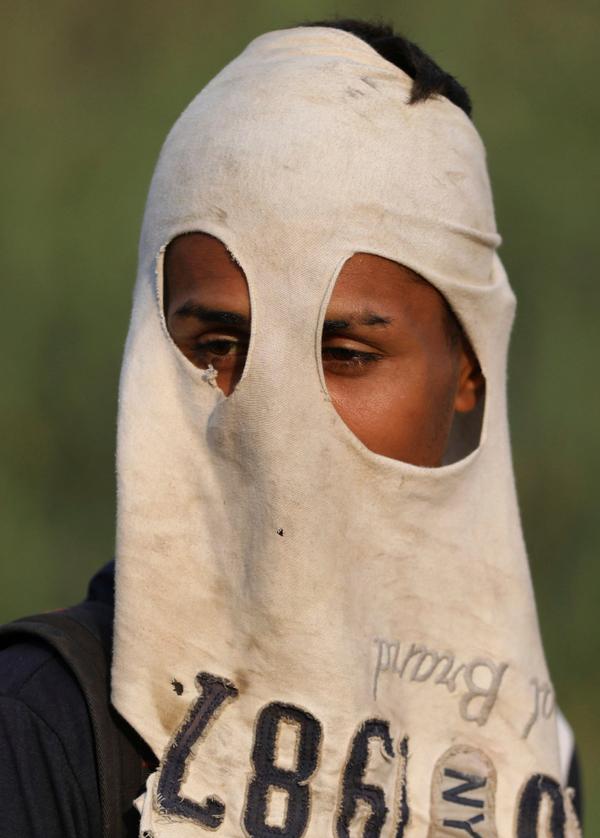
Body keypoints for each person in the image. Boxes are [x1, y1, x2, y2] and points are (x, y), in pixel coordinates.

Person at [0, 18, 583, 838]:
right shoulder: (48, 729)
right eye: (215, 347)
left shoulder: (513, 756)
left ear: (469, 370)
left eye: (346, 355)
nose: (272, 419)